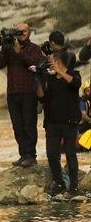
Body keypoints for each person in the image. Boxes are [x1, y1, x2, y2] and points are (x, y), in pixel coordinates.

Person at [0, 22, 44, 167]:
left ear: (29, 32)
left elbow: (35, 64)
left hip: (29, 91)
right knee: (17, 127)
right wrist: (5, 47)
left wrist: (19, 52)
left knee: (29, 124)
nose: (21, 34)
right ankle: (23, 154)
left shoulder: (34, 48)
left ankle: (31, 155)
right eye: (19, 32)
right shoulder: (9, 48)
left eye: (23, 31)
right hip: (13, 92)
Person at [36, 48, 83, 196]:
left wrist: (61, 72)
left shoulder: (74, 74)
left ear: (59, 62)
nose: (50, 65)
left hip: (70, 122)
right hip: (52, 122)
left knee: (70, 154)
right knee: (52, 154)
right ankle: (60, 183)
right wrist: (37, 80)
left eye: (52, 62)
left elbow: (76, 84)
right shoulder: (48, 78)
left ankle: (74, 186)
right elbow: (42, 98)